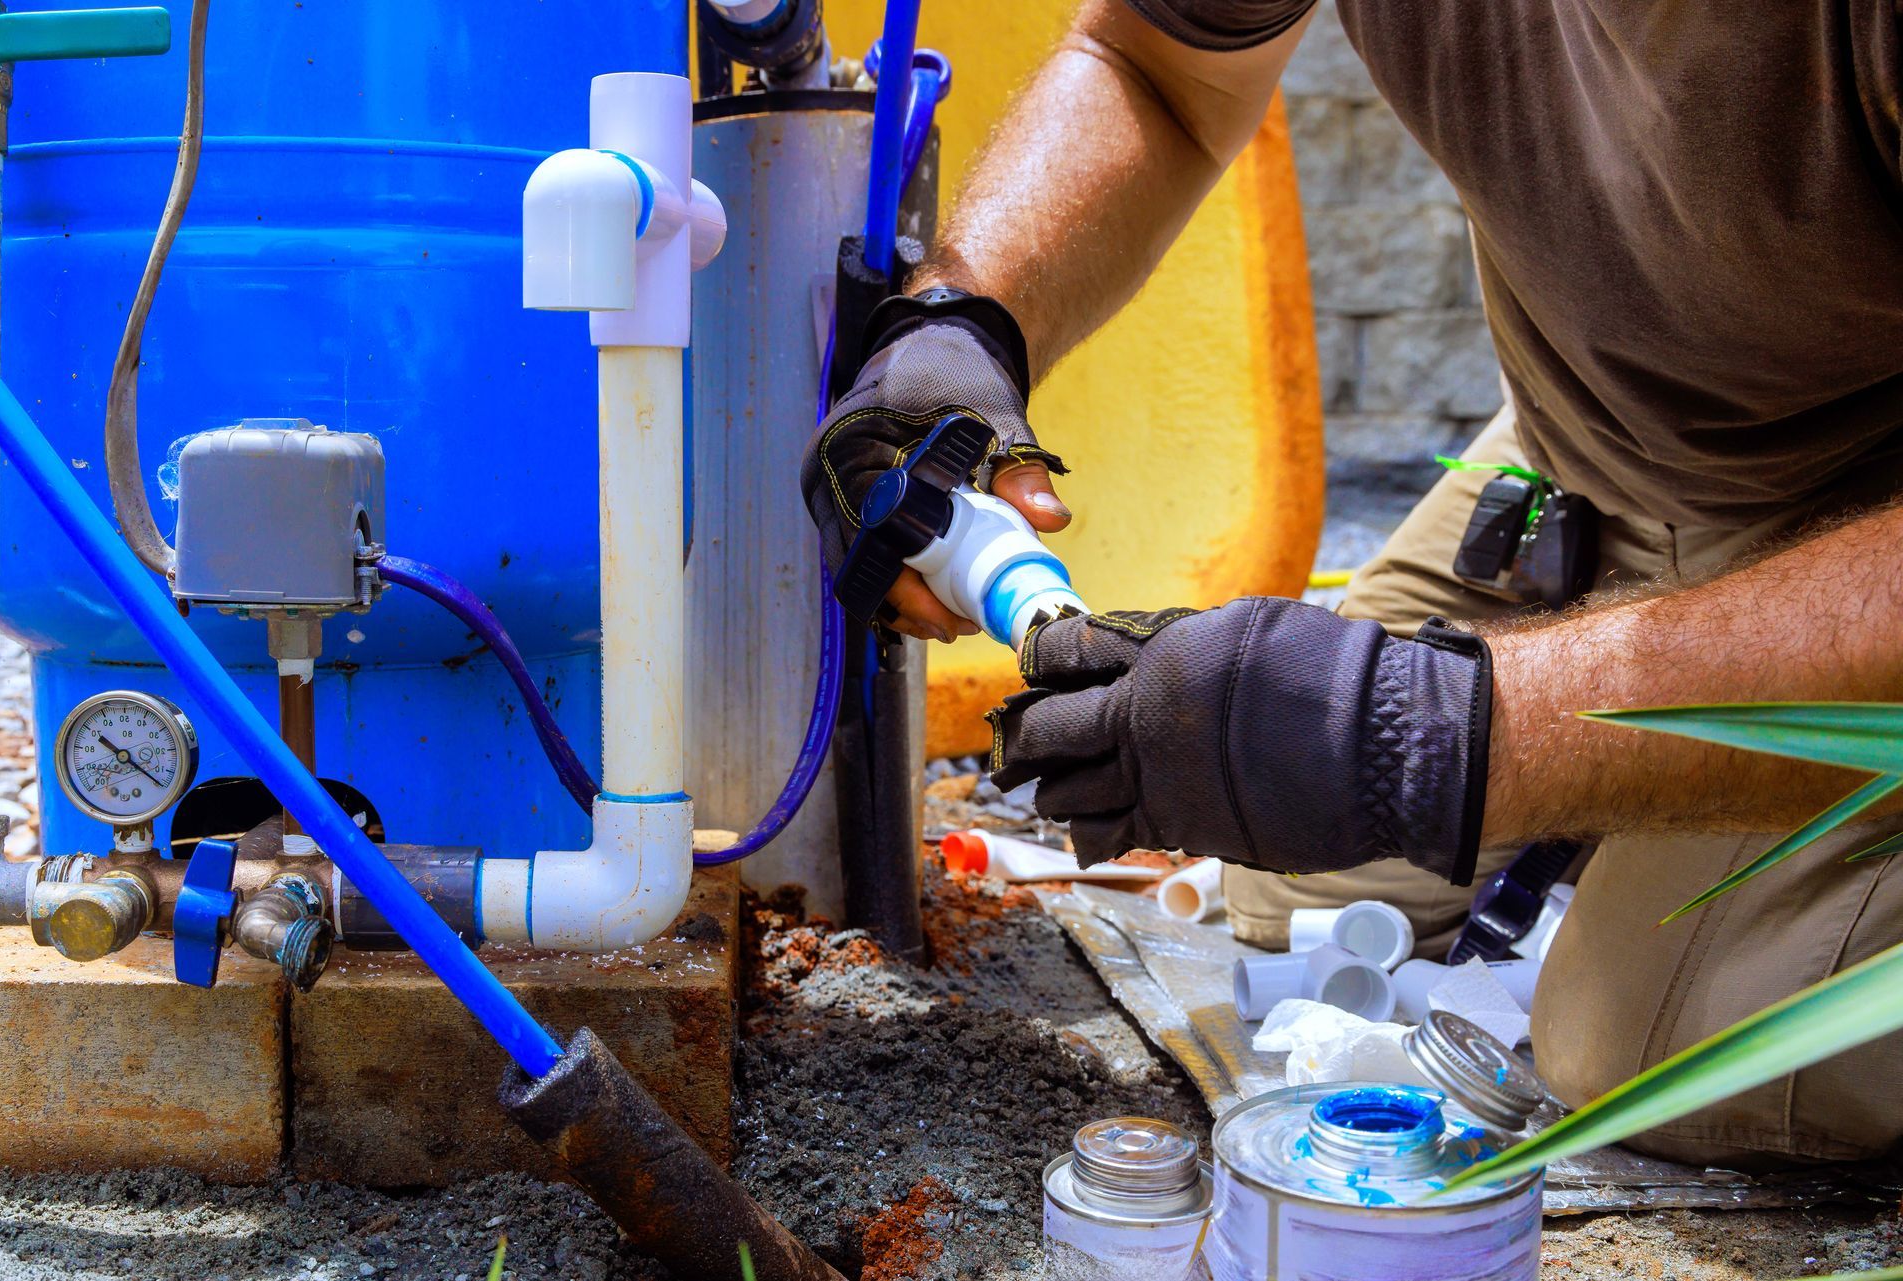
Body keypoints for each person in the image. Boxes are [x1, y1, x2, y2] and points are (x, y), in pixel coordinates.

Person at [800, 1, 1903, 1167]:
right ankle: (1646, 798)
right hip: (1596, 458)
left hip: (1862, 524)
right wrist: (966, 323)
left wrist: (1437, 735)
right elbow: (1154, 65)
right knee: (1294, 883)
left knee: (1683, 1051)